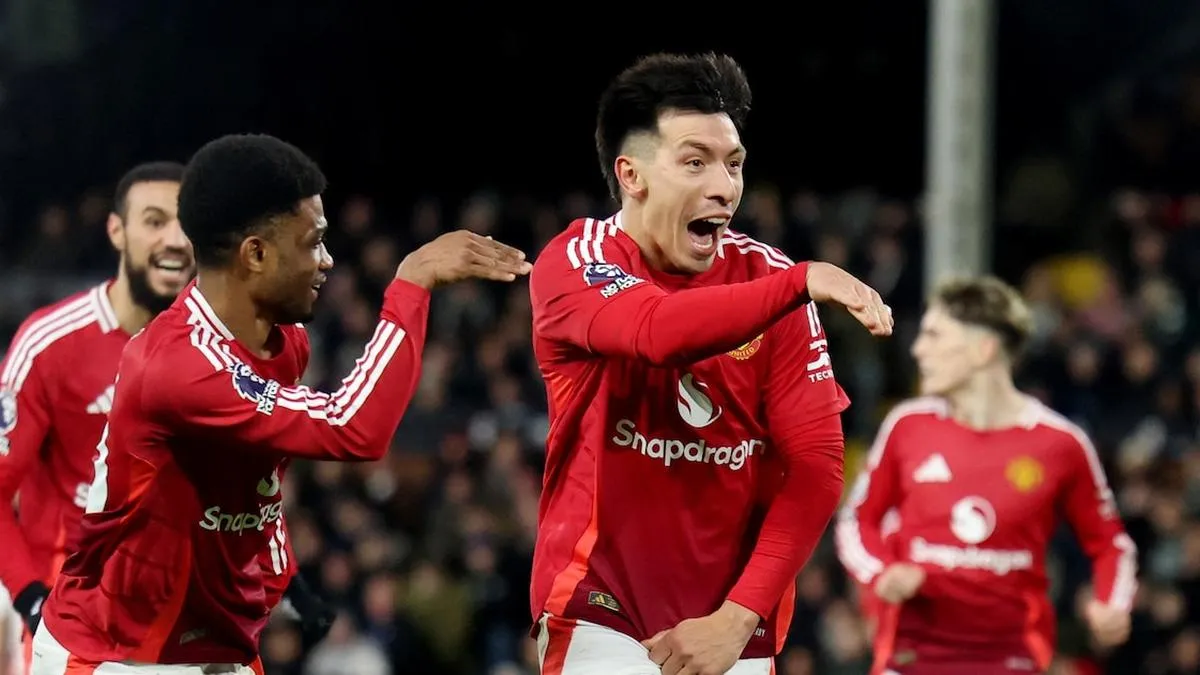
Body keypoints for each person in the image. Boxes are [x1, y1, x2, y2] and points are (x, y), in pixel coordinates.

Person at [30, 133, 531, 674]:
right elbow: (351, 428)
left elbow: (259, 479)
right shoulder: (175, 367)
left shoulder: (283, 341)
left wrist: (279, 575)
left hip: (217, 649)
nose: (327, 260)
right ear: (256, 253)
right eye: (313, 241)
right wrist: (411, 284)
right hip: (114, 655)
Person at [528, 52, 893, 675]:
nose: (723, 187)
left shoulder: (768, 279)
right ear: (632, 175)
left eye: (734, 164)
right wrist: (803, 281)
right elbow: (654, 332)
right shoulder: (575, 262)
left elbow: (818, 467)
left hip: (733, 624)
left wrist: (738, 616)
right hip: (600, 604)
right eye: (694, 162)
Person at [835, 276, 1137, 675]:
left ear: (983, 350)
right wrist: (881, 572)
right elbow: (857, 519)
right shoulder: (907, 425)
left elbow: (1110, 543)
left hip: (1013, 659)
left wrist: (1111, 605)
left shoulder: (1061, 443)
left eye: (934, 336)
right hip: (911, 658)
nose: (918, 350)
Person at [0, 162, 195, 674]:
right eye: (154, 221)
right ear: (116, 231)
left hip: (180, 623)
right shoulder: (50, 344)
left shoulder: (217, 347)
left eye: (187, 224)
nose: (174, 239)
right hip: (70, 623)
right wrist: (31, 600)